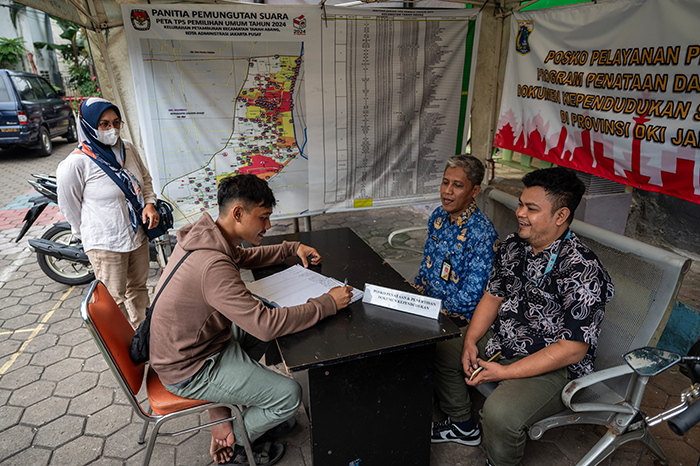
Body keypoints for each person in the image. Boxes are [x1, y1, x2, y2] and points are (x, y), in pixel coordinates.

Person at [149, 174, 353, 465]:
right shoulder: (212, 265)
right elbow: (266, 323)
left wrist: (290, 249)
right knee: (289, 395)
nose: (268, 226)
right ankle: (236, 439)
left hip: (196, 344)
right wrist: (328, 303)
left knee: (264, 315)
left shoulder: (207, 235)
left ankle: (238, 406)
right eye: (264, 217)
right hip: (190, 368)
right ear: (238, 213)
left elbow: (244, 259)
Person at [431, 167, 615, 466]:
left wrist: (504, 373)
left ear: (560, 216)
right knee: (443, 347)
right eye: (520, 204)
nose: (520, 213)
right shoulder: (515, 245)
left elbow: (573, 349)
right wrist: (471, 341)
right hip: (504, 339)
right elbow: (493, 295)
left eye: (531, 208)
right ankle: (462, 425)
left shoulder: (581, 269)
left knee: (500, 414)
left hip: (551, 361)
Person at [57, 97, 159, 329]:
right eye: (103, 124)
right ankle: (126, 347)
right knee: (115, 297)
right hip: (105, 242)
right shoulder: (76, 164)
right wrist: (88, 237)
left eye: (116, 122)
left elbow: (145, 180)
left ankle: (146, 335)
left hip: (137, 235)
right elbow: (69, 206)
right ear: (88, 125)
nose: (111, 129)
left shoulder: (128, 149)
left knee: (138, 288)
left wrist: (149, 204)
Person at [414, 154, 499, 326]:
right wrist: (415, 295)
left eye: (457, 185)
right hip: (428, 307)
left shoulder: (482, 233)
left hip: (457, 319)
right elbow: (427, 263)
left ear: (475, 191)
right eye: (445, 182)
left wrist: (432, 311)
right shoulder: (438, 216)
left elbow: (472, 295)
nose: (447, 191)